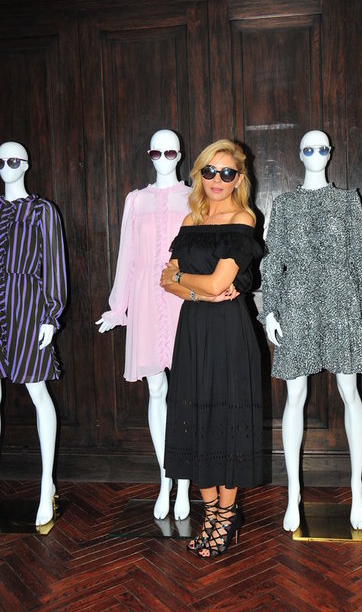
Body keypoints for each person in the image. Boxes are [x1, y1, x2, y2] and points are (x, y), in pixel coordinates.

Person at [261, 130, 362, 532]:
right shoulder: (284, 204)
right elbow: (272, 260)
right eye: (308, 149)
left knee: (350, 391)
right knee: (294, 395)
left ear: (330, 153)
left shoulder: (348, 201)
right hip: (296, 305)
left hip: (341, 302)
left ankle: (357, 490)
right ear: (299, 155)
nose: (316, 154)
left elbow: (361, 256)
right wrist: (270, 310)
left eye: (322, 148)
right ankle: (293, 493)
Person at [160, 139, 263, 559]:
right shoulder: (191, 219)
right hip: (193, 329)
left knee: (226, 416)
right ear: (198, 174)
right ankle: (210, 512)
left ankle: (227, 513)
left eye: (226, 173)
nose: (217, 179)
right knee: (194, 417)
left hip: (227, 331)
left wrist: (183, 280)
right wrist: (194, 290)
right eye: (209, 171)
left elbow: (220, 283)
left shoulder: (243, 217)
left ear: (239, 179)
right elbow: (165, 280)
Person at [96, 129, 190, 520]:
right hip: (147, 302)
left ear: (180, 155)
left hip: (184, 299)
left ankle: (185, 483)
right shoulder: (135, 200)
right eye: (156, 152)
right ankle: (165, 479)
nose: (163, 159)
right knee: (156, 390)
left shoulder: (195, 197)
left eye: (170, 152)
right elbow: (127, 256)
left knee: (185, 393)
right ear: (149, 155)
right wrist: (118, 307)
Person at [0, 141, 67, 527]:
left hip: (27, 308)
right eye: (0, 161)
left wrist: (50, 316)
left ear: (25, 165)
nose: (6, 168)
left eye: (13, 161)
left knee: (37, 392)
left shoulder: (42, 210)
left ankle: (46, 486)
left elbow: (54, 263)